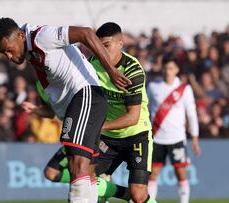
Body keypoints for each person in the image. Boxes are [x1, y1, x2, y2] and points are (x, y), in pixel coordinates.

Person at [0, 10, 130, 202]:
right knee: (87, 170)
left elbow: (85, 33)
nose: (9, 56)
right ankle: (125, 196)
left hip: (85, 95)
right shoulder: (15, 41)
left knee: (77, 163)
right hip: (80, 102)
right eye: (4, 53)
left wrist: (111, 70)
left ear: (19, 35)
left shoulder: (42, 37)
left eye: (9, 49)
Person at [25, 22, 156, 203]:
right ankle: (120, 195)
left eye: (107, 46)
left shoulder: (132, 70)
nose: (102, 51)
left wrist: (94, 126)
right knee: (85, 175)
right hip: (106, 136)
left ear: (121, 43)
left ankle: (129, 195)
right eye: (98, 46)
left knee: (139, 194)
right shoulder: (91, 64)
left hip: (136, 135)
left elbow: (132, 118)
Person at [147, 54, 201, 203]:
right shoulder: (153, 87)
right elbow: (145, 111)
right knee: (152, 175)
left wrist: (195, 138)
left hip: (176, 138)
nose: (167, 71)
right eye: (165, 68)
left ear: (176, 69)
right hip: (156, 138)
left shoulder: (184, 89)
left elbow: (191, 114)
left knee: (181, 173)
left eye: (170, 68)